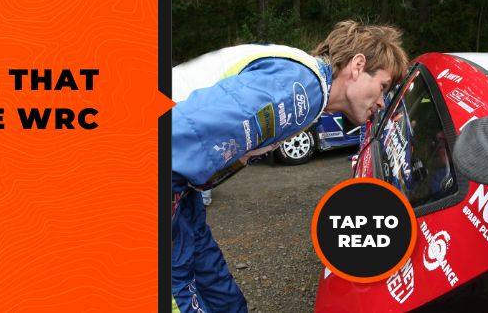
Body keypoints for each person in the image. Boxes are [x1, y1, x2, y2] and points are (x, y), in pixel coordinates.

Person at [171, 21, 409, 313]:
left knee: (220, 292)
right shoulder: (300, 90)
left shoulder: (304, 83)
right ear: (357, 66)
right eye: (383, 87)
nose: (383, 102)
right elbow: (172, 144)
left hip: (185, 191)